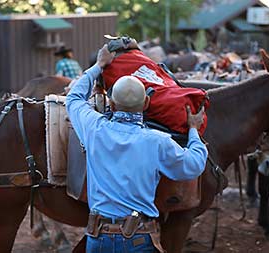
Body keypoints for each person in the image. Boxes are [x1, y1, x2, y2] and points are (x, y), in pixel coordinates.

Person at [66, 44, 208, 252]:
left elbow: (73, 98)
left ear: (112, 105)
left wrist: (98, 65)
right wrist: (193, 130)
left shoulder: (94, 129)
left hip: (98, 238)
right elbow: (194, 165)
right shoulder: (158, 141)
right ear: (146, 103)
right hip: (138, 240)